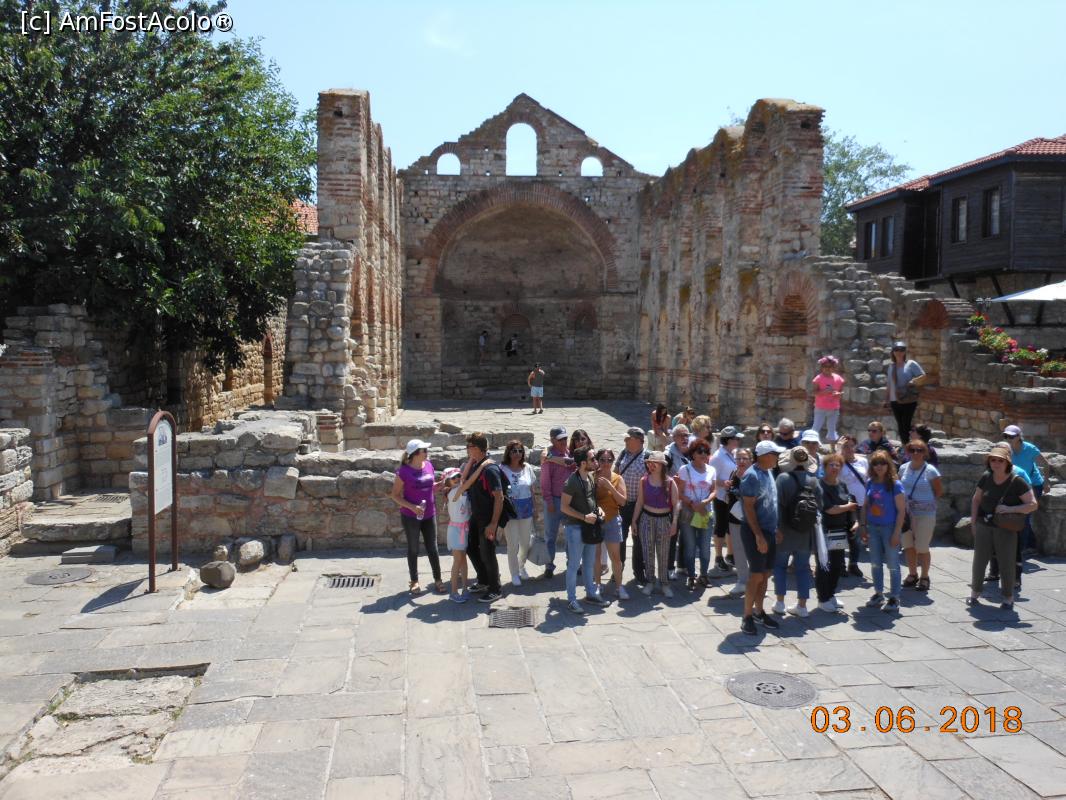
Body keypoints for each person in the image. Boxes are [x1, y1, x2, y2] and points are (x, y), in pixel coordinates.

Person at [968, 443, 1038, 611]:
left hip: (1006, 528)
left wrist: (1010, 509)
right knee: (979, 561)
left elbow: (1033, 504)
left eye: (1000, 460)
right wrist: (973, 521)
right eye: (993, 460)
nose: (996, 463)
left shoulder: (1017, 481)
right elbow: (976, 499)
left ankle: (1008, 597)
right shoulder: (986, 476)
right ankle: (975, 592)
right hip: (984, 524)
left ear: (1007, 462)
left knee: (1007, 563)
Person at [739, 440, 784, 635]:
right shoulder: (752, 476)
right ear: (764, 456)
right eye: (775, 454)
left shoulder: (768, 472)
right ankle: (747, 616)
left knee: (765, 574)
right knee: (756, 575)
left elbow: (771, 502)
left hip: (769, 530)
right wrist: (758, 536)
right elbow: (748, 508)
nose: (777, 457)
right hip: (754, 531)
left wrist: (776, 528)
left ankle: (759, 611)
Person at [390, 438, 444, 595]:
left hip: (429, 513)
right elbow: (395, 495)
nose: (427, 452)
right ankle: (414, 581)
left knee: (433, 548)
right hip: (410, 516)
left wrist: (440, 485)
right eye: (424, 450)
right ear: (415, 454)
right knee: (413, 548)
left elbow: (429, 487)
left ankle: (438, 580)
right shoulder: (403, 472)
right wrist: (413, 508)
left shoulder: (429, 465)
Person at [560, 447, 610, 614]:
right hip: (575, 527)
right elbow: (564, 507)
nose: (596, 461)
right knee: (574, 565)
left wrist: (599, 510)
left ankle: (590, 594)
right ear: (583, 463)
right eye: (592, 459)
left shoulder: (589, 476)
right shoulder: (572, 482)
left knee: (589, 563)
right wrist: (583, 517)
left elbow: (591, 500)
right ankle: (571, 600)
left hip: (589, 527)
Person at [772, 447, 820, 618]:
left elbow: (776, 505)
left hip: (784, 530)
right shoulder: (813, 480)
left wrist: (777, 528)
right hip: (805, 532)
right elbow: (819, 507)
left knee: (780, 566)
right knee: (803, 568)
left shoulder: (783, 478)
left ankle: (780, 603)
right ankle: (802, 606)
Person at [462, 432, 505, 603]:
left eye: (469, 446)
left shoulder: (490, 470)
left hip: (487, 519)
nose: (467, 449)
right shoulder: (476, 465)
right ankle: (484, 580)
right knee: (470, 547)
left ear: (479, 448)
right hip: (476, 516)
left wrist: (493, 524)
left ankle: (495, 589)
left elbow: (499, 498)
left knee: (488, 553)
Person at [861, 450, 906, 612]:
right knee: (875, 563)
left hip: (889, 528)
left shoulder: (895, 485)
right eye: (875, 463)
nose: (879, 466)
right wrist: (863, 526)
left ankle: (894, 596)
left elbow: (901, 511)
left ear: (888, 465)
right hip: (873, 527)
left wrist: (896, 533)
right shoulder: (870, 482)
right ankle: (878, 593)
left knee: (893, 563)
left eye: (882, 463)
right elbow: (865, 506)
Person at [899, 439, 943, 592]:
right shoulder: (903, 468)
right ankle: (912, 574)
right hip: (906, 514)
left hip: (925, 514)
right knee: (908, 545)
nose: (916, 453)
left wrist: (924, 503)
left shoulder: (931, 470)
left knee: (922, 546)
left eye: (919, 450)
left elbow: (939, 492)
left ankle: (925, 576)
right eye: (912, 450)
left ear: (925, 452)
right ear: (908, 452)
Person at [818, 452, 859, 613]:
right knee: (824, 565)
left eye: (838, 465)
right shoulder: (820, 485)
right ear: (824, 467)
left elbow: (850, 505)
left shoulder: (842, 484)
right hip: (824, 530)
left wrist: (854, 521)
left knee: (837, 565)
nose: (835, 467)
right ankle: (823, 599)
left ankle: (831, 594)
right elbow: (830, 509)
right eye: (831, 465)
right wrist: (849, 507)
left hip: (840, 531)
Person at [633, 451, 679, 597]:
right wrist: (634, 521)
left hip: (664, 520)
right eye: (649, 463)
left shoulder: (670, 482)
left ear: (662, 465)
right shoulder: (643, 481)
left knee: (663, 552)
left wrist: (674, 523)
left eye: (655, 463)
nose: (651, 465)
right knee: (648, 552)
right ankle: (650, 581)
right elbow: (639, 502)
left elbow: (676, 504)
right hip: (647, 518)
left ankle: (664, 583)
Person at [677, 438, 716, 589]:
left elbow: (714, 491)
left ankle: (704, 575)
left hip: (705, 512)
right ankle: (691, 576)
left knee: (705, 548)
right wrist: (693, 503)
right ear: (693, 454)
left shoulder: (711, 470)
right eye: (700, 451)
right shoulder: (685, 469)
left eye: (706, 451)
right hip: (689, 512)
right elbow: (679, 492)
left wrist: (704, 502)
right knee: (690, 547)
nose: (703, 454)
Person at [1004, 424, 1045, 558]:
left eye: (1011, 436)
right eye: (1006, 436)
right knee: (1021, 516)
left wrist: (1047, 482)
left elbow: (1046, 464)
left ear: (1019, 437)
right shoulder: (1007, 450)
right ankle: (1031, 545)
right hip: (1018, 486)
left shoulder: (1030, 449)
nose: (1008, 439)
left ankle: (1022, 548)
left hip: (1034, 484)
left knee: (1024, 515)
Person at [538, 427, 574, 579]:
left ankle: (571, 563)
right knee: (550, 536)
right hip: (554, 500)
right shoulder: (548, 459)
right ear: (553, 440)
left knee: (571, 534)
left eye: (565, 438)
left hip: (570, 501)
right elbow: (545, 482)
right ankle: (549, 565)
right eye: (560, 439)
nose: (564, 441)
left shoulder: (569, 454)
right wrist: (549, 502)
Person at [615, 427, 648, 584]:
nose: (625, 441)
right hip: (622, 504)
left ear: (639, 441)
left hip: (640, 505)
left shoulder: (647, 457)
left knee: (639, 540)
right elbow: (615, 473)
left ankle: (639, 571)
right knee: (620, 538)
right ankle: (618, 569)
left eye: (628, 439)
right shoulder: (623, 453)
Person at [500, 440, 536, 587]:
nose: (517, 454)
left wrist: (535, 508)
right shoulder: (502, 469)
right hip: (510, 511)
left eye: (520, 451)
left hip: (526, 509)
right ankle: (514, 573)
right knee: (513, 544)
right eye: (514, 451)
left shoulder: (527, 468)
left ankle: (521, 566)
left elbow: (532, 489)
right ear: (508, 453)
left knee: (526, 543)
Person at [594, 448, 628, 599]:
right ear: (597, 461)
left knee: (616, 557)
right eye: (602, 460)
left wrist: (610, 487)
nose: (606, 463)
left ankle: (619, 588)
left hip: (612, 520)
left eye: (609, 460)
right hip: (595, 521)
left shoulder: (617, 478)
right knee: (596, 556)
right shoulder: (592, 477)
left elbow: (622, 501)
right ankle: (597, 585)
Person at [710, 426, 743, 575]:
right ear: (729, 440)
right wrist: (724, 483)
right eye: (736, 438)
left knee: (731, 526)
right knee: (721, 526)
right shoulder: (718, 456)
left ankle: (730, 555)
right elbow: (711, 477)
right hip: (721, 496)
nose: (738, 440)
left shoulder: (734, 453)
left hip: (732, 496)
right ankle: (718, 557)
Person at [837, 435, 869, 578]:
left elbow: (868, 480)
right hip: (844, 504)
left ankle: (853, 564)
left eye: (851, 446)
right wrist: (838, 450)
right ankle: (840, 565)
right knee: (841, 535)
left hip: (861, 504)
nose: (849, 449)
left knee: (856, 537)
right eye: (845, 446)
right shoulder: (838, 462)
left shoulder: (863, 461)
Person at [665, 424, 692, 579]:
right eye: (681, 435)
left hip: (689, 500)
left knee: (687, 535)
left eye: (686, 435)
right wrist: (671, 481)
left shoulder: (692, 451)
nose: (685, 438)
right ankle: (669, 567)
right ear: (674, 438)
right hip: (674, 501)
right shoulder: (668, 454)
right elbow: (661, 475)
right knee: (672, 535)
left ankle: (682, 565)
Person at [725, 448, 753, 597]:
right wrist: (728, 488)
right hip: (735, 518)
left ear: (751, 460)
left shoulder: (754, 475)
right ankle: (742, 581)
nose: (741, 461)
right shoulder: (733, 473)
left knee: (753, 551)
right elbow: (729, 496)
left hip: (752, 519)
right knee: (738, 550)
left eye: (744, 458)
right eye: (738, 458)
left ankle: (755, 582)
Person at [886, 341, 926, 443]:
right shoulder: (891, 367)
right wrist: (886, 400)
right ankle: (906, 445)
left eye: (902, 349)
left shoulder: (911, 364)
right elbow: (889, 385)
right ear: (893, 352)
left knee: (906, 424)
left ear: (905, 352)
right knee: (900, 425)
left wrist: (913, 381)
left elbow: (923, 376)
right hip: (895, 400)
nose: (899, 352)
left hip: (908, 399)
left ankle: (910, 445)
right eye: (896, 349)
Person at [442, 468, 471, 603]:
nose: (457, 479)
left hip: (464, 529)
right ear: (447, 481)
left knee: (463, 560)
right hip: (455, 531)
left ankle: (465, 588)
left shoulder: (461, 491)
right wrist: (478, 464)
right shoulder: (453, 492)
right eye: (453, 478)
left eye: (458, 476)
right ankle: (453, 592)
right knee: (457, 561)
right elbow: (467, 482)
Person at [812, 355, 845, 442]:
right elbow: (814, 392)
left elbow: (841, 391)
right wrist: (824, 392)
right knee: (816, 427)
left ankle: (832, 448)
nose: (827, 368)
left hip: (834, 408)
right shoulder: (818, 378)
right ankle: (810, 444)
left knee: (832, 429)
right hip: (820, 407)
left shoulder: (838, 378)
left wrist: (839, 394)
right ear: (822, 367)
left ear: (833, 367)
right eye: (825, 366)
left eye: (830, 366)